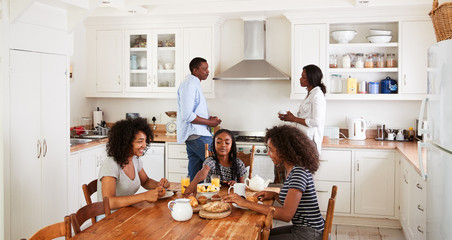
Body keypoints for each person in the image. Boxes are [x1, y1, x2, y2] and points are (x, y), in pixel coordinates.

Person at [223, 125, 324, 240]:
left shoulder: (298, 173)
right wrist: (275, 195)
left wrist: (245, 203)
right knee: (258, 235)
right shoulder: (293, 168)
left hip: (310, 233)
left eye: (271, 149)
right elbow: (294, 204)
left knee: (258, 237)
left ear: (284, 150)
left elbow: (286, 214)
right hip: (304, 228)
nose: (268, 153)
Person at [97, 117, 170, 210]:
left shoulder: (134, 159)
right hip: (109, 217)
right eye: (140, 141)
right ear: (126, 142)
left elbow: (145, 181)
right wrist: (144, 196)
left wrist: (159, 185)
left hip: (126, 211)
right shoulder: (110, 164)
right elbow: (109, 202)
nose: (144, 145)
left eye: (145, 141)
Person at [177, 57, 222, 180]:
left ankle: (191, 198)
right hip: (197, 135)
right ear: (195, 70)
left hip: (196, 134)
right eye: (204, 69)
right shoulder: (189, 85)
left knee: (195, 173)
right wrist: (209, 122)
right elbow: (187, 115)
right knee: (216, 168)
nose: (207, 71)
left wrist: (209, 119)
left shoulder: (194, 84)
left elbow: (193, 112)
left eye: (207, 69)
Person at [182, 129, 247, 197]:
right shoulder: (210, 161)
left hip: (232, 198)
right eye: (218, 142)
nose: (223, 145)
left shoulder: (238, 163)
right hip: (212, 198)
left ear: (232, 146)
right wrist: (193, 184)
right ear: (213, 144)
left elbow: (242, 186)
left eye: (227, 143)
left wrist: (236, 184)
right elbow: (203, 172)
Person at [278, 64, 326, 154]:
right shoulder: (310, 94)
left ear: (311, 78)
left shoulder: (317, 96)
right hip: (303, 141)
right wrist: (290, 118)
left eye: (303, 77)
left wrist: (294, 119)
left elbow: (316, 122)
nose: (300, 79)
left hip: (310, 143)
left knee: (303, 168)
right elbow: (305, 118)